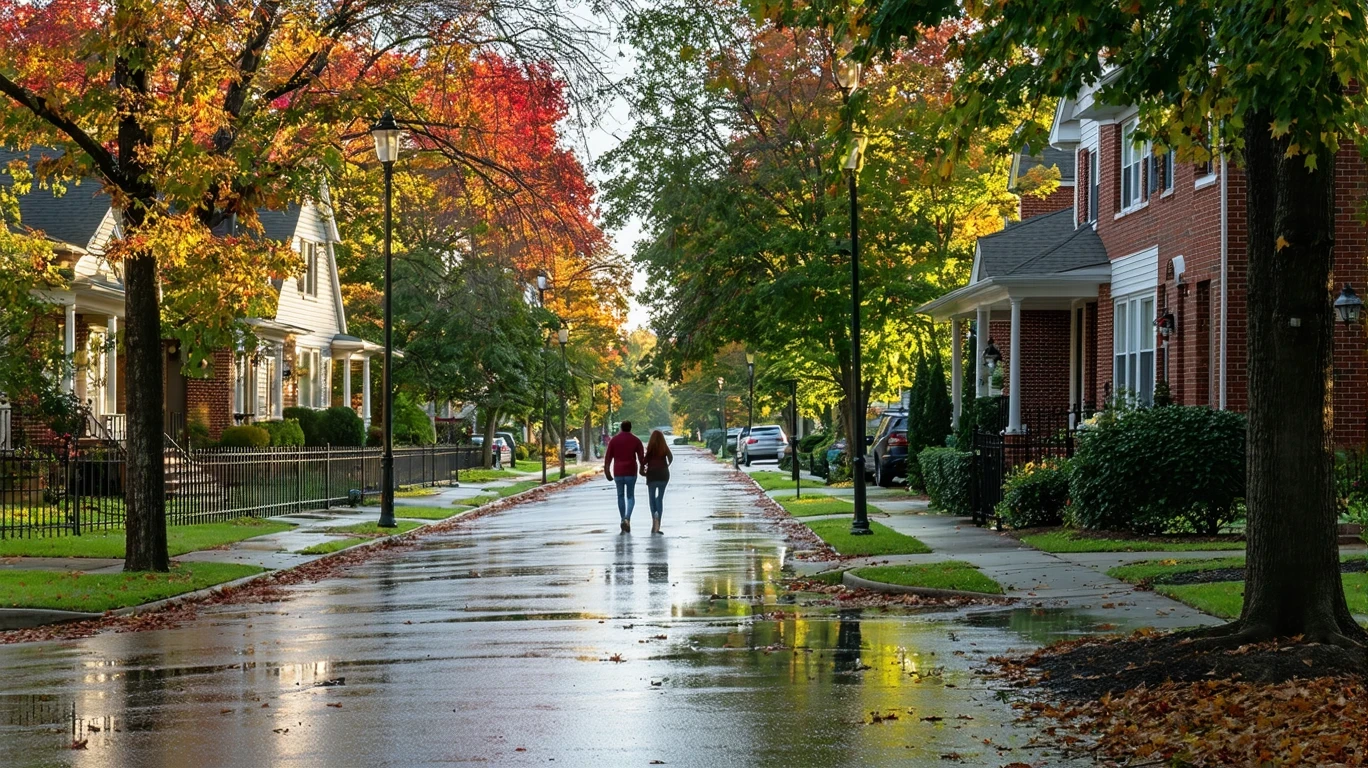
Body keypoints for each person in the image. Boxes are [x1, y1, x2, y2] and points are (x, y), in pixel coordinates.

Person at [603, 420, 645, 533]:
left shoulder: (614, 440)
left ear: (621, 428)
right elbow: (641, 457)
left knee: (620, 496)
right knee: (630, 496)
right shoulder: (636, 440)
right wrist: (642, 468)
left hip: (618, 471)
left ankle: (622, 519)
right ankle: (627, 518)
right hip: (631, 471)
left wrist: (607, 470)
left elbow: (608, 457)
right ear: (630, 428)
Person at [641, 430, 674, 535]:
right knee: (659, 498)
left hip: (652, 475)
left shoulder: (650, 449)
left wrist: (643, 469)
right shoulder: (664, 448)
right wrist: (666, 466)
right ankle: (658, 520)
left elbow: (644, 461)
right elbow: (671, 458)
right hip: (663, 475)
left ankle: (653, 518)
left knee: (651, 498)